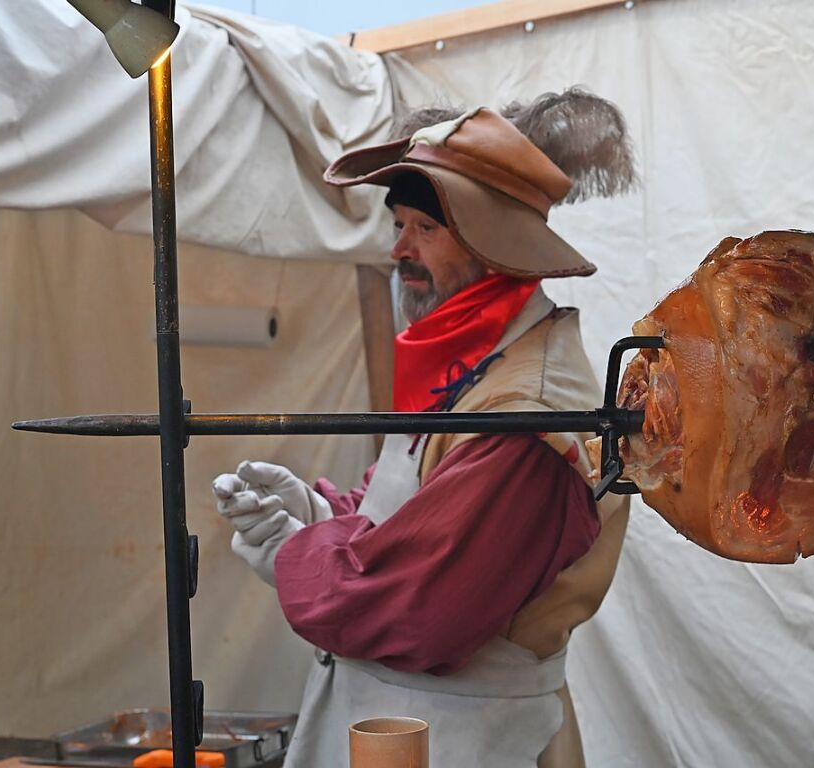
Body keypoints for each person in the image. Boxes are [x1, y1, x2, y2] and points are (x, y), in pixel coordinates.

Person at [212, 104, 632, 768]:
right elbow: (411, 515)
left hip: (470, 740)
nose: (400, 250)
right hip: (405, 724)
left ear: (495, 245)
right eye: (400, 225)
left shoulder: (526, 410)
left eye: (426, 228)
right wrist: (323, 515)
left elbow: (424, 608)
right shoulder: (469, 363)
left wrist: (298, 555)